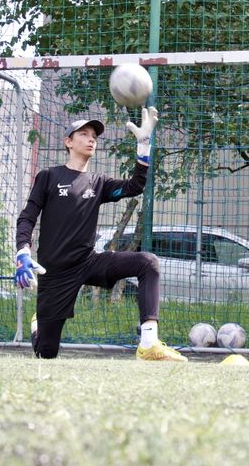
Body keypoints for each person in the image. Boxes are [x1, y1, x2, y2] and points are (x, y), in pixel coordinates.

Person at [15, 109, 186, 362]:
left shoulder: (98, 183)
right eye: (84, 134)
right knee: (46, 353)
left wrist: (143, 145)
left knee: (148, 262)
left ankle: (149, 343)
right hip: (55, 272)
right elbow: (27, 217)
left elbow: (135, 186)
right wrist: (22, 250)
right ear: (68, 142)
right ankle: (38, 324)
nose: (91, 139)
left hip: (88, 262)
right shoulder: (49, 177)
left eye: (94, 136)